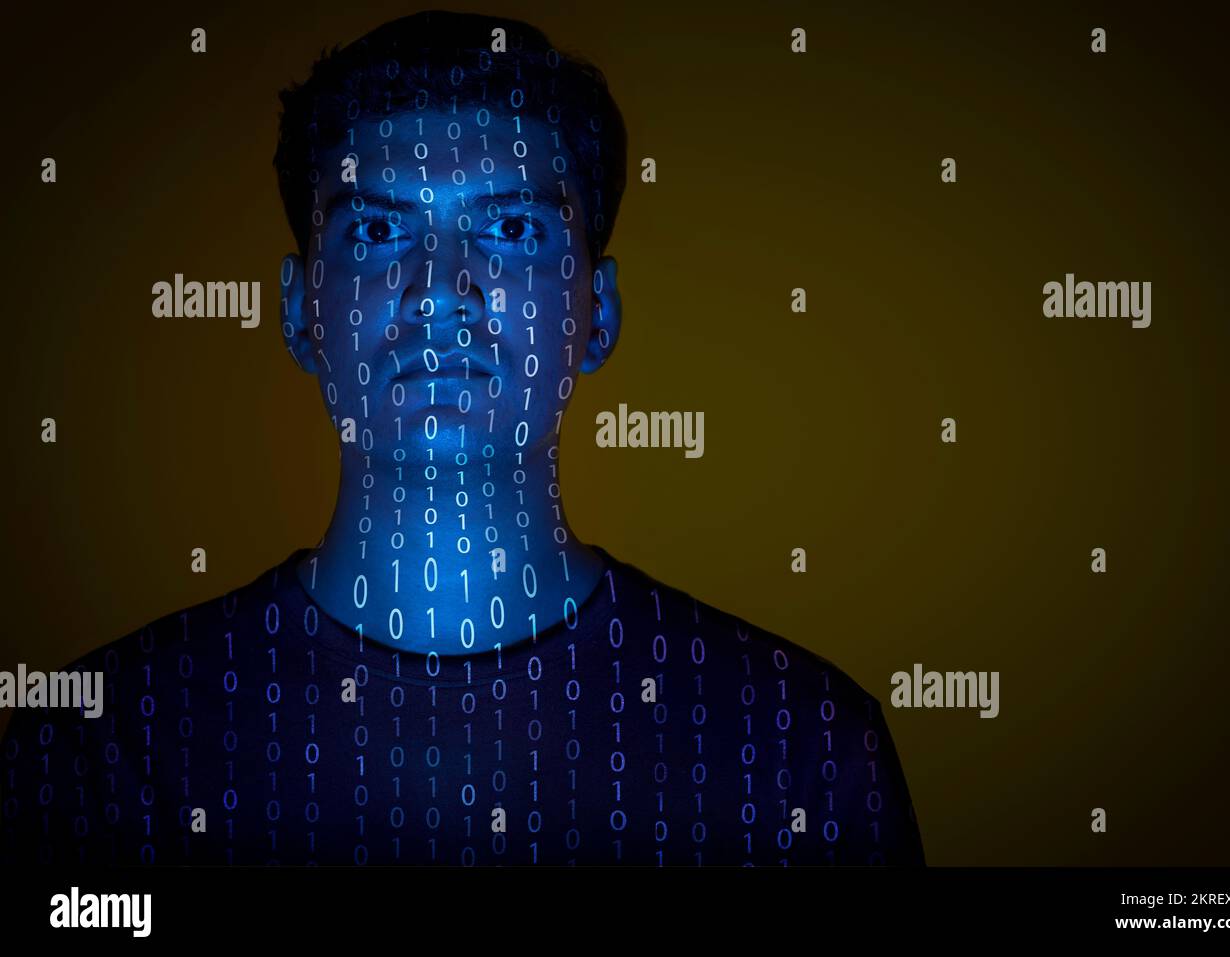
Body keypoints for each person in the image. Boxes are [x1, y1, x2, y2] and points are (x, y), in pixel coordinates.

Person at [0, 9, 923, 866]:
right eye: (375, 231)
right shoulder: (100, 747)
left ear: (595, 313)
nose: (442, 287)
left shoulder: (798, 743)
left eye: (512, 229)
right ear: (297, 311)